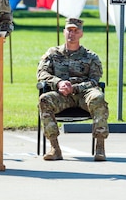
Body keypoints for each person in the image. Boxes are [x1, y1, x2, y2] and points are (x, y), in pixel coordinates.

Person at [37, 18, 109, 161]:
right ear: (64, 32)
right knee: (44, 100)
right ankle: (55, 148)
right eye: (69, 30)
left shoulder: (91, 57)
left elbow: (95, 80)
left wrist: (75, 88)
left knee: (98, 98)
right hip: (62, 95)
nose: (72, 34)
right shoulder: (52, 54)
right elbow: (42, 74)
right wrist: (59, 83)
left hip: (84, 94)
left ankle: (100, 148)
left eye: (76, 31)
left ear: (81, 34)